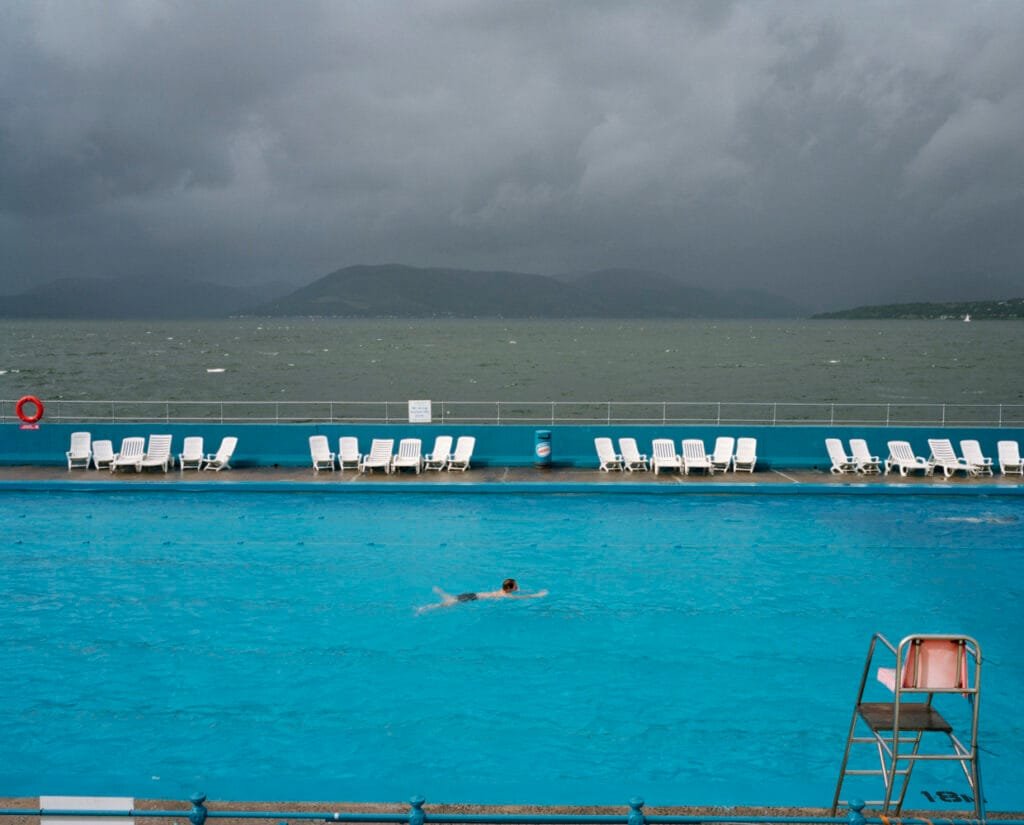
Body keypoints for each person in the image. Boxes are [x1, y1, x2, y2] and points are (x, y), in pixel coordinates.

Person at [417, 578, 548, 613]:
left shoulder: (501, 591)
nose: (517, 587)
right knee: (448, 604)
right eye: (515, 586)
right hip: (472, 598)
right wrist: (538, 595)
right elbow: (523, 598)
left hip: (473, 594)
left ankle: (434, 601)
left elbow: (517, 592)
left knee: (449, 601)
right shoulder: (506, 596)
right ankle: (428, 608)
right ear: (509, 588)